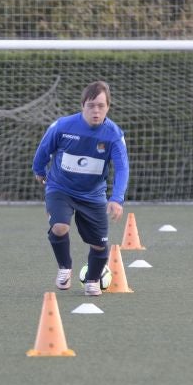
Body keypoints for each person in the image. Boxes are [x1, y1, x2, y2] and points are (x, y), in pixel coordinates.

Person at [32, 81, 129, 296]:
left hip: (93, 196)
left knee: (99, 245)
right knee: (59, 227)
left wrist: (117, 198)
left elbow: (122, 168)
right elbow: (43, 150)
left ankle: (93, 280)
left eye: (101, 106)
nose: (96, 111)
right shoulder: (63, 126)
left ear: (108, 107)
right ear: (82, 105)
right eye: (91, 105)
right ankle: (64, 267)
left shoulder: (113, 135)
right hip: (60, 188)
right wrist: (39, 170)